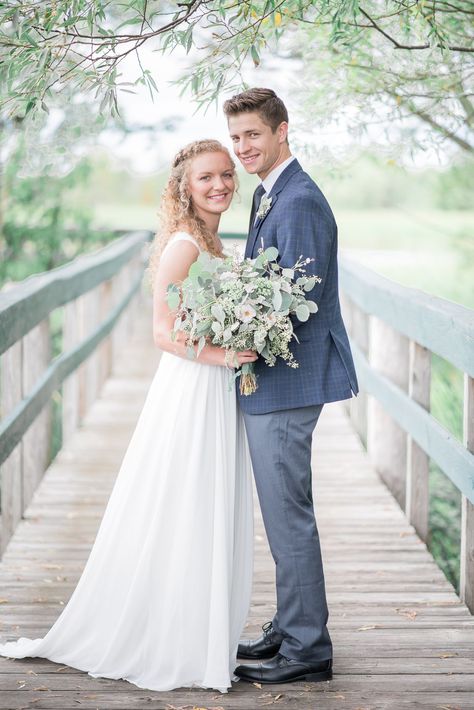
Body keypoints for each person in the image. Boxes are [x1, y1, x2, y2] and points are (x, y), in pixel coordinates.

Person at [0, 139, 258, 694]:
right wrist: (225, 355)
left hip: (216, 387)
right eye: (206, 178)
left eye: (226, 176)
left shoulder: (213, 238)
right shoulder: (185, 245)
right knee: (183, 500)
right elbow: (163, 334)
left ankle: (200, 628)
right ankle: (171, 637)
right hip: (192, 387)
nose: (219, 186)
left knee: (208, 502)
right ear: (184, 188)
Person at [223, 88, 359, 685]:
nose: (243, 147)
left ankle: (307, 648)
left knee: (288, 514)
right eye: (236, 138)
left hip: (288, 379)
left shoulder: (298, 200)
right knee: (282, 511)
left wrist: (226, 327)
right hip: (279, 379)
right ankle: (291, 623)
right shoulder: (270, 193)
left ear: (282, 130)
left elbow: (293, 305)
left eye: (253, 134)